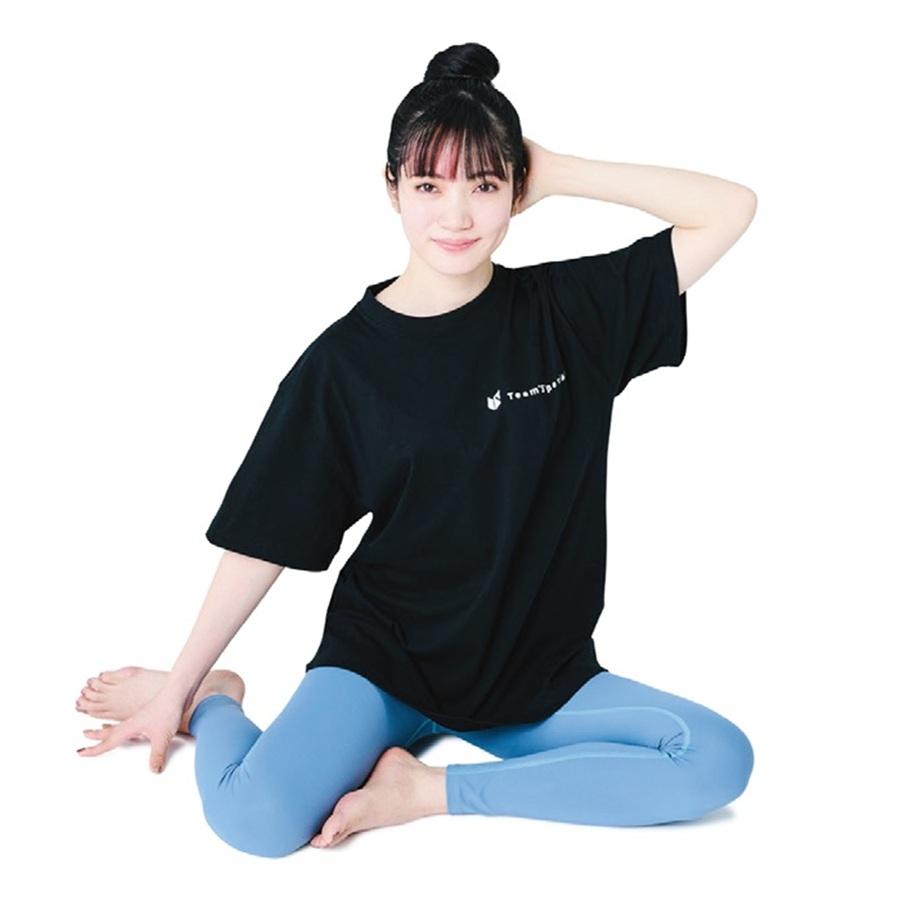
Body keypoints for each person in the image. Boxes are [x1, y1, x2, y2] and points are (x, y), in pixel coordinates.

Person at [74, 42, 758, 857]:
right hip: (384, 665)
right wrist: (182, 686)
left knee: (715, 760)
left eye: (485, 186)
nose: (457, 216)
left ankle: (422, 789)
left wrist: (555, 169)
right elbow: (263, 536)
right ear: (392, 188)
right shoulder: (343, 366)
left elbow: (729, 208)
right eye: (429, 186)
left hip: (533, 676)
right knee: (254, 820)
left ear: (517, 193)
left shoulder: (571, 313)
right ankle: (221, 699)